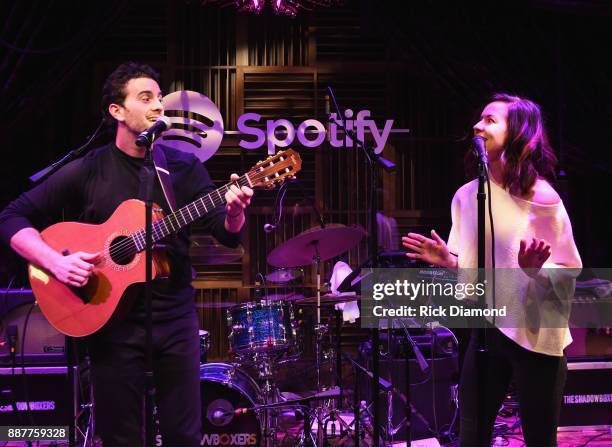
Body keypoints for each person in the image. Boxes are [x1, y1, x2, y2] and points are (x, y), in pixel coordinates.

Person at [0, 62, 253, 446]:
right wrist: (55, 261)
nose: (158, 106)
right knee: (120, 436)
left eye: (159, 98)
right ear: (117, 111)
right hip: (111, 321)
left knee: (184, 434)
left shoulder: (182, 168)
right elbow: (11, 216)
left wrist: (234, 211)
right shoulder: (88, 169)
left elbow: (226, 232)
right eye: (145, 97)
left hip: (174, 320)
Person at [401, 93, 581, 446]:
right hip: (488, 330)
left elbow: (570, 270)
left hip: (537, 332)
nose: (477, 126)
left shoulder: (543, 198)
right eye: (479, 119)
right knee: (471, 435)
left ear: (519, 134)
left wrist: (536, 273)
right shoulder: (466, 197)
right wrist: (450, 262)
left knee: (540, 438)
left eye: (490, 120)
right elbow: (474, 274)